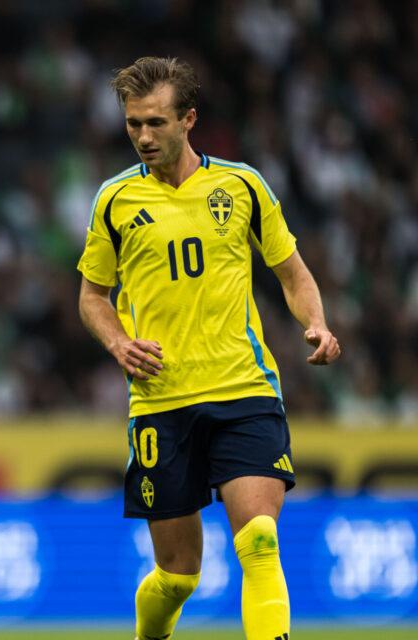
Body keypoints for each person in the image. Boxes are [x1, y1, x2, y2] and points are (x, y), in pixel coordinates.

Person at [77, 57, 341, 640]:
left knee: (260, 540)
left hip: (244, 389)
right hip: (161, 401)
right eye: (132, 124)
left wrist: (317, 324)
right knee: (177, 576)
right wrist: (118, 342)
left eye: (155, 123)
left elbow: (292, 274)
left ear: (188, 119)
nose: (143, 136)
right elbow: (92, 296)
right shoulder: (114, 200)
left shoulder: (241, 185)